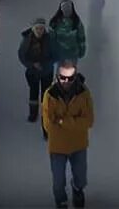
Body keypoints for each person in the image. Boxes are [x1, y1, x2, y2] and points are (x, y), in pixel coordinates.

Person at [42, 60, 93, 209]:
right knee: (58, 181)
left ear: (75, 76)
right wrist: (75, 122)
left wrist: (64, 122)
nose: (66, 82)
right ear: (57, 77)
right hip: (57, 147)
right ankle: (61, 202)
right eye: (63, 78)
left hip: (78, 145)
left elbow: (89, 120)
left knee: (81, 177)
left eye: (70, 78)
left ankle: (77, 190)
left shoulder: (83, 94)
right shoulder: (49, 95)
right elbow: (48, 125)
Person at [18, 18, 54, 122]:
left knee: (46, 94)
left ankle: (45, 114)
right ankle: (33, 114)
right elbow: (22, 55)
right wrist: (32, 65)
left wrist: (46, 64)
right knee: (33, 92)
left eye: (41, 29)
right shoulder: (27, 40)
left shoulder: (49, 39)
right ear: (33, 29)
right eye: (37, 28)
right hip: (32, 72)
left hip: (46, 71)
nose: (39, 31)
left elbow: (55, 54)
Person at [49, 0, 86, 65]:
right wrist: (52, 52)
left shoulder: (76, 21)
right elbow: (51, 39)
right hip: (59, 53)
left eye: (68, 9)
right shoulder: (54, 22)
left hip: (73, 53)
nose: (66, 11)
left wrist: (82, 51)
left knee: (71, 72)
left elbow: (81, 37)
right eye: (64, 8)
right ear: (61, 9)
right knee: (58, 72)